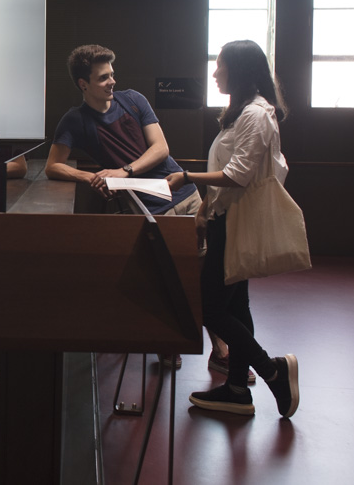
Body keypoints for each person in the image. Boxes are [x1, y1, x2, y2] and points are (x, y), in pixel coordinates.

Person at [166, 39, 299, 418]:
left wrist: (186, 176)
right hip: (226, 219)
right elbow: (229, 175)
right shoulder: (239, 112)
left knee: (209, 309)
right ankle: (238, 389)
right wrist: (204, 212)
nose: (214, 72)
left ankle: (273, 371)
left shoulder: (257, 115)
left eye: (220, 65)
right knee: (237, 308)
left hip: (238, 224)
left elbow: (237, 176)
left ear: (237, 70)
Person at [44, 44, 200, 216]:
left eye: (112, 74)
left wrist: (124, 171)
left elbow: (161, 148)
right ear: (83, 84)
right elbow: (53, 166)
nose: (112, 81)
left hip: (186, 193)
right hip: (150, 210)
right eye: (103, 78)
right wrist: (92, 178)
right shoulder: (74, 120)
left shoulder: (133, 99)